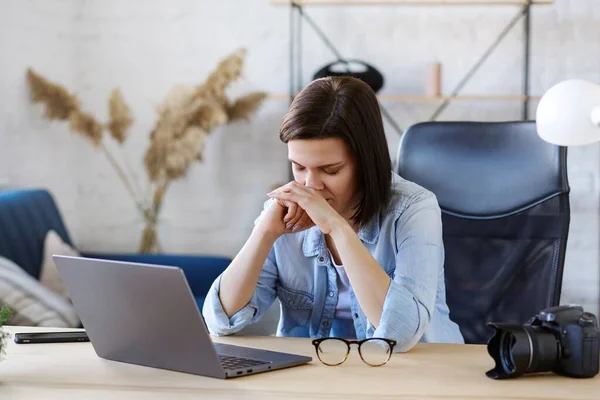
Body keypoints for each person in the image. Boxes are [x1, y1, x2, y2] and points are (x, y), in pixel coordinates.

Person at [202, 76, 464, 351]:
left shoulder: (414, 210)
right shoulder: (283, 213)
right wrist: (263, 234)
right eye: (299, 167)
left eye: (331, 170)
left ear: (365, 162)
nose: (310, 185)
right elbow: (220, 321)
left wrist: (337, 228)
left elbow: (399, 335)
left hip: (415, 375)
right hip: (315, 377)